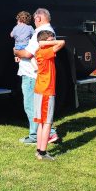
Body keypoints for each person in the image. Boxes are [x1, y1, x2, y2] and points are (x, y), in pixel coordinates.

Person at [13, 8, 57, 144]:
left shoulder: (40, 32)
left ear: (38, 18)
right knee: (38, 107)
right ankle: (47, 132)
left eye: (34, 19)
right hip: (38, 74)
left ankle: (39, 135)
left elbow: (27, 53)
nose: (34, 22)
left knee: (31, 106)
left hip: (31, 74)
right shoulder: (49, 31)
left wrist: (16, 51)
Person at [33, 30, 65, 161]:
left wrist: (45, 42)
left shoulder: (40, 51)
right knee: (47, 123)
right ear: (45, 41)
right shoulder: (45, 51)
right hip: (46, 91)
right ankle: (42, 152)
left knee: (41, 123)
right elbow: (62, 42)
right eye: (51, 39)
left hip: (40, 90)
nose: (53, 40)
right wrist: (45, 42)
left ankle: (39, 150)